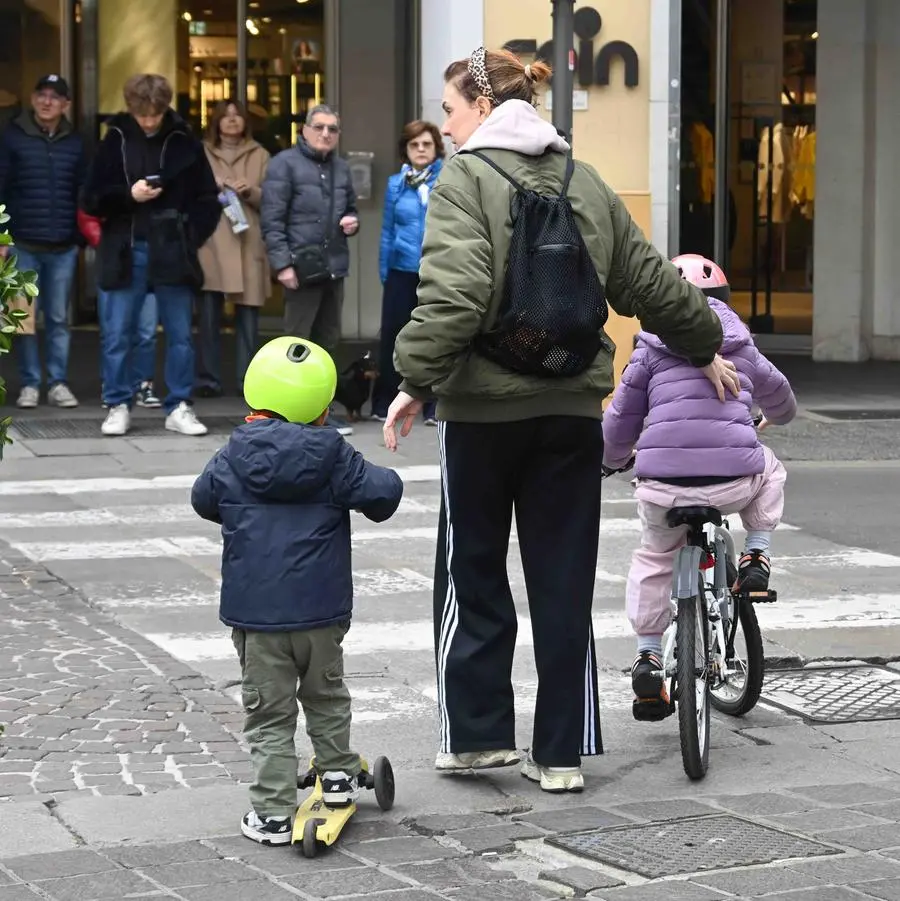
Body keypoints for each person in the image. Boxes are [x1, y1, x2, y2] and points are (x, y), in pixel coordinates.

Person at [383, 48, 739, 793]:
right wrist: (706, 345)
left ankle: (479, 739)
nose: (445, 126)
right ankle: (561, 752)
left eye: (449, 110)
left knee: (472, 570)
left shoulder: (465, 180)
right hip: (572, 411)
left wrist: (414, 379)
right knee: (563, 575)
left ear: (480, 107)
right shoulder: (587, 181)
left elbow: (454, 297)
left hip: (483, 415)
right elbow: (650, 280)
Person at [190, 336, 404, 845]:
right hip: (321, 614)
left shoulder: (232, 455)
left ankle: (269, 812)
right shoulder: (334, 453)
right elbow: (384, 495)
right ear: (324, 405)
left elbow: (202, 500)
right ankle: (335, 775)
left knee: (268, 715)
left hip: (257, 620)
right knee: (327, 695)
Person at [602, 254, 797, 720]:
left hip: (664, 488)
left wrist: (612, 461)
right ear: (724, 303)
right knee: (769, 469)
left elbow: (619, 424)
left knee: (653, 558)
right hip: (732, 483)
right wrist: (776, 415)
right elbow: (783, 398)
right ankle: (756, 552)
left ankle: (649, 653)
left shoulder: (647, 352)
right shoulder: (743, 346)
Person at [82, 73, 219, 437]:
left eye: (155, 114)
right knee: (117, 333)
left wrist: (189, 239)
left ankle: (179, 405)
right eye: (143, 115)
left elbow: (207, 199)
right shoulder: (114, 139)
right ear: (131, 108)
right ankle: (117, 403)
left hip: (173, 249)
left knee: (180, 334)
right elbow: (90, 198)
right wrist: (129, 195)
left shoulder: (184, 140)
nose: (149, 121)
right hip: (125, 248)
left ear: (164, 108)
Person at [260, 104, 359, 436]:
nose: (326, 134)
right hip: (300, 268)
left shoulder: (342, 168)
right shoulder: (283, 165)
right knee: (296, 344)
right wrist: (282, 264)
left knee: (328, 343)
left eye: (333, 129)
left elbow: (351, 209)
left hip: (334, 267)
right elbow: (271, 221)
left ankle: (320, 413)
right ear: (304, 130)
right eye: (319, 127)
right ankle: (287, 411)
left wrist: (352, 222)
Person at [0, 74, 86, 409]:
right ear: (33, 99)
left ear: (65, 104)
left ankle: (58, 382)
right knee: (22, 319)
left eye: (55, 96)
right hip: (22, 243)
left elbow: (82, 192)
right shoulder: (13, 137)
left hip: (63, 245)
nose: (47, 101)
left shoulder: (76, 141)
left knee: (59, 319)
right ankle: (31, 384)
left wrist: (79, 237)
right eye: (42, 94)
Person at [370, 121, 445, 424]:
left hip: (436, 271)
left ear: (436, 147)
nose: (421, 150)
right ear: (406, 149)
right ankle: (384, 401)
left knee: (436, 337)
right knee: (393, 336)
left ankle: (433, 405)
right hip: (401, 270)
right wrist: (385, 271)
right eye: (415, 145)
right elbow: (387, 230)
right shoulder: (395, 184)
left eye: (426, 144)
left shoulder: (447, 179)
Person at [197, 100, 271, 396]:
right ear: (214, 121)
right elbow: (187, 192)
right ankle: (208, 380)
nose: (230, 120)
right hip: (211, 240)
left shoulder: (261, 154)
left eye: (236, 115)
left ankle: (247, 380)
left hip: (248, 240)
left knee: (248, 319)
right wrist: (209, 185)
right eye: (224, 116)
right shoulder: (200, 152)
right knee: (208, 316)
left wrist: (250, 191)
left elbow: (275, 199)